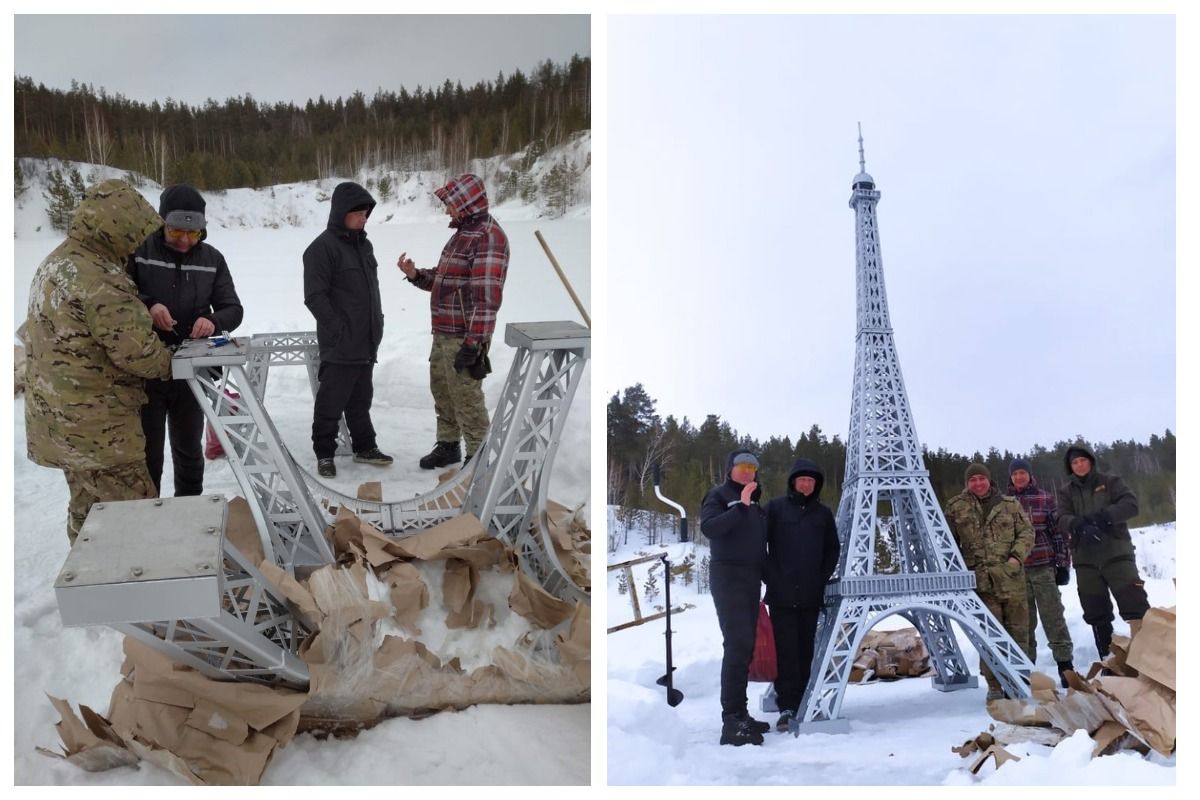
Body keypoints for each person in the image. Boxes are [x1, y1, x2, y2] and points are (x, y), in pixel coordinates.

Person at [24, 179, 173, 544]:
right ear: (117, 228)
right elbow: (137, 353)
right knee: (131, 519)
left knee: (87, 510)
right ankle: (127, 594)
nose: (136, 243)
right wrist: (170, 361)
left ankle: (86, 588)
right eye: (133, 234)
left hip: (58, 424)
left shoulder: (56, 263)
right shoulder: (100, 279)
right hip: (101, 432)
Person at [127, 184, 243, 496]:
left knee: (189, 448)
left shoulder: (212, 259)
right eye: (177, 231)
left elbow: (233, 309)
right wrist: (148, 305)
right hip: (147, 369)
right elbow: (119, 296)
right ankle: (148, 513)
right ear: (162, 223)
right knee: (147, 452)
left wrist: (213, 321)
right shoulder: (139, 252)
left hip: (192, 369)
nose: (184, 240)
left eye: (193, 234)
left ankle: (189, 508)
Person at [396, 173, 509, 469]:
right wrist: (417, 275)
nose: (446, 209)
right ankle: (448, 446)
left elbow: (486, 299)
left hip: (464, 336)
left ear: (466, 203)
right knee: (443, 392)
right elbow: (447, 281)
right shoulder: (463, 233)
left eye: (450, 203)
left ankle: (478, 456)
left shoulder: (488, 237)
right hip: (443, 333)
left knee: (466, 398)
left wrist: (474, 343)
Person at [303, 181, 392, 478]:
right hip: (340, 341)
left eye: (366, 212)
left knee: (360, 399)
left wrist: (375, 323)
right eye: (358, 212)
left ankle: (365, 446)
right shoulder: (321, 249)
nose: (364, 217)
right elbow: (315, 296)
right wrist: (337, 329)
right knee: (331, 400)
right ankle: (324, 453)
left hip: (366, 339)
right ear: (341, 212)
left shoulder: (365, 245)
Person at [943, 463, 1035, 701]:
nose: (977, 483)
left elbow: (1027, 532)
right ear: (967, 483)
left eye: (981, 478)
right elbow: (947, 543)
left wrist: (1016, 558)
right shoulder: (955, 507)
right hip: (980, 583)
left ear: (989, 480)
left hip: (1011, 580)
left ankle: (1020, 682)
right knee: (989, 637)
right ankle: (994, 686)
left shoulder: (1010, 504)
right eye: (972, 479)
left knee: (1019, 635)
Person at [700, 449, 771, 746]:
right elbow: (710, 529)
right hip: (727, 576)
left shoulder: (756, 506)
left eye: (752, 467)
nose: (747, 471)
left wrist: (775, 582)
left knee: (745, 647)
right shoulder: (718, 496)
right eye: (742, 466)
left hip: (751, 578)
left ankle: (741, 712)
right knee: (736, 644)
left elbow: (759, 548)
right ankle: (731, 720)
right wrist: (740, 507)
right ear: (731, 469)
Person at [764, 458, 840, 732]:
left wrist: (821, 577)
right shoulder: (774, 508)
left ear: (816, 485)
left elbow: (833, 549)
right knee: (785, 651)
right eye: (802, 479)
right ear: (793, 482)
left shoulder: (823, 514)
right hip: (781, 595)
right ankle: (787, 705)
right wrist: (770, 576)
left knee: (806, 650)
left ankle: (804, 701)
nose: (806, 484)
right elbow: (760, 545)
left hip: (810, 594)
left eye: (811, 480)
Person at [1055, 445, 1149, 661]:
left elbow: (1131, 505)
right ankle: (1109, 661)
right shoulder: (1065, 491)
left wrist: (1103, 518)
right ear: (1070, 467)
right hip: (1086, 560)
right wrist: (1079, 525)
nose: (1079, 465)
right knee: (1096, 612)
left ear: (1091, 460)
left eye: (1082, 460)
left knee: (1134, 603)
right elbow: (1061, 518)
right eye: (1074, 462)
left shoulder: (1110, 482)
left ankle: (1148, 660)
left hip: (1116, 553)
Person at [1007, 458, 1075, 686]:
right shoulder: (1005, 503)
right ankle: (1027, 671)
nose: (1019, 477)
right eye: (1015, 474)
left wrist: (1063, 564)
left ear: (1029, 475)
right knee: (1023, 624)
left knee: (1054, 618)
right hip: (1017, 572)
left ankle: (1066, 667)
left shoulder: (1045, 498)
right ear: (1011, 477)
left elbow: (1058, 533)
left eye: (1022, 473)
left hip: (1044, 568)